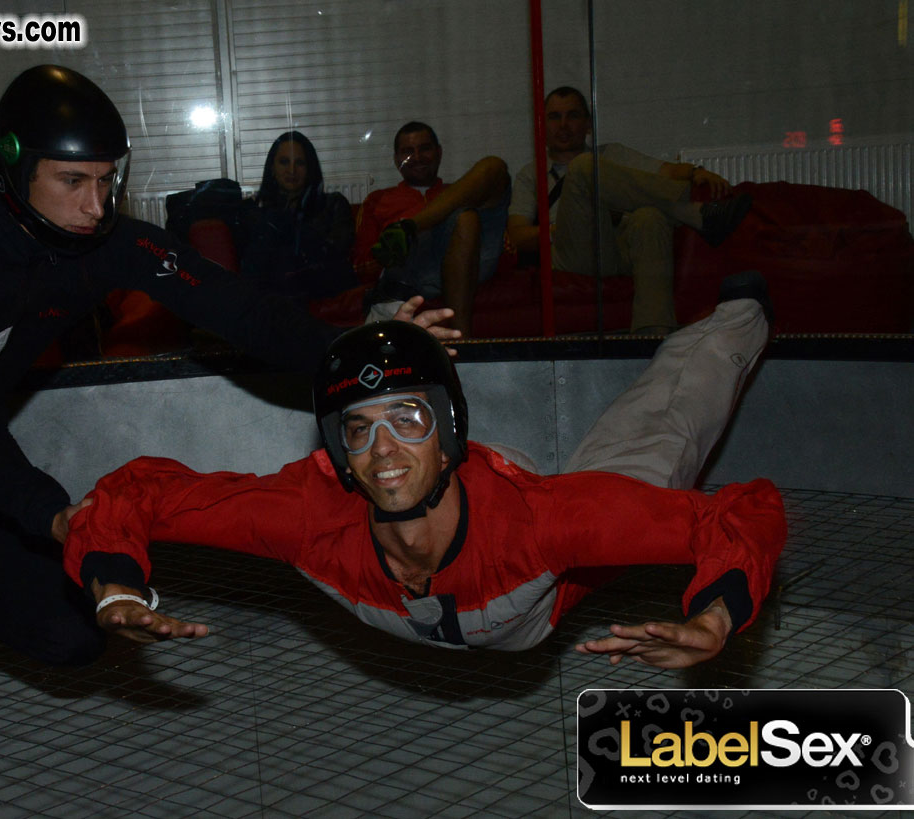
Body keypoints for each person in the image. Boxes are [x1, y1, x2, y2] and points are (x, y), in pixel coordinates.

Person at [0, 65, 455, 734]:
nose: (97, 205)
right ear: (11, 167)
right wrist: (54, 514)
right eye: (73, 181)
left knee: (72, 636)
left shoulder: (104, 244)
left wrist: (363, 344)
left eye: (108, 180)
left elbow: (240, 311)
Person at [64, 275, 784, 669]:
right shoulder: (307, 514)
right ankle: (390, 331)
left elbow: (741, 510)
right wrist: (112, 590)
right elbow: (140, 492)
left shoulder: (546, 524)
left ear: (447, 433)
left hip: (536, 577)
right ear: (336, 451)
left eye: (407, 421)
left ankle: (740, 313)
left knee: (660, 436)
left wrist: (716, 616)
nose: (380, 451)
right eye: (358, 429)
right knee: (380, 391)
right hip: (461, 520)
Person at [507, 86, 752, 334]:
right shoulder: (531, 175)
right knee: (583, 166)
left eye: (573, 115)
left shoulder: (612, 154)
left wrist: (696, 172)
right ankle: (692, 214)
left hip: (619, 247)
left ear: (588, 124)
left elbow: (665, 171)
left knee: (650, 217)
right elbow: (517, 236)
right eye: (554, 117)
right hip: (571, 252)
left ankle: (653, 335)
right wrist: (559, 229)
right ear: (543, 127)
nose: (564, 125)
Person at [355, 122, 511, 336]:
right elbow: (360, 267)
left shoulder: (461, 191)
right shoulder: (379, 199)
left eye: (425, 148)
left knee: (494, 167)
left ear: (438, 152)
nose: (417, 157)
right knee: (464, 218)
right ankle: (461, 342)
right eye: (408, 151)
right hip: (413, 270)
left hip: (469, 258)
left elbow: (508, 255)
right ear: (396, 159)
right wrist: (389, 252)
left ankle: (410, 226)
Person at [237, 131, 357, 303]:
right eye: (284, 162)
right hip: (271, 299)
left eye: (299, 163)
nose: (291, 170)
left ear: (310, 168)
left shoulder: (333, 205)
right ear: (272, 167)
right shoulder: (255, 211)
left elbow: (335, 255)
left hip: (321, 290)